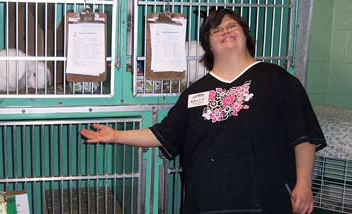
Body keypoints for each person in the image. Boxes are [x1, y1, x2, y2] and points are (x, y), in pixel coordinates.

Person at [81, 8, 326, 214]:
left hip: (266, 201)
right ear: (207, 45)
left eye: (232, 26)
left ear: (245, 34)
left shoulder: (278, 80)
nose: (225, 32)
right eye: (216, 30)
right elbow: (163, 134)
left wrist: (303, 184)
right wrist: (115, 136)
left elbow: (303, 136)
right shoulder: (194, 93)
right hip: (207, 203)